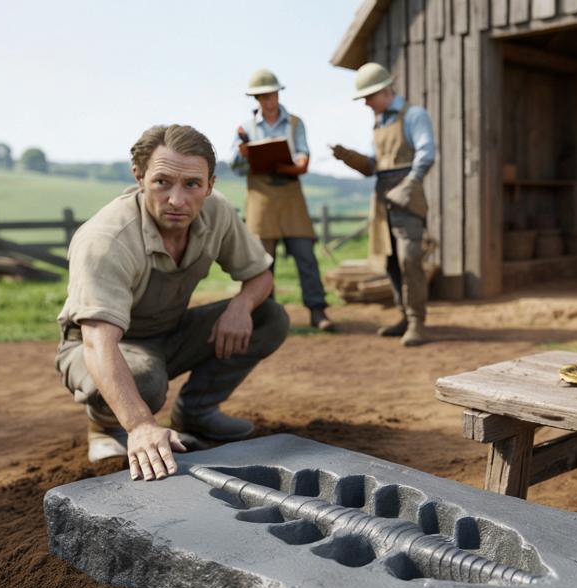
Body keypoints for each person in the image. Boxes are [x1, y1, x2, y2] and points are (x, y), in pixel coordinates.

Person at [55, 124, 289, 481]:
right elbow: (97, 342)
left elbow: (261, 275)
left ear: (210, 185)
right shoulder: (105, 240)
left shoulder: (218, 212)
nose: (177, 200)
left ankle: (196, 410)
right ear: (139, 177)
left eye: (192, 184)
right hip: (100, 347)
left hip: (170, 331)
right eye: (162, 182)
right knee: (144, 382)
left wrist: (240, 306)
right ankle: (103, 426)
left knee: (269, 316)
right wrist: (141, 425)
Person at [330, 62, 436, 347]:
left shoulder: (413, 115)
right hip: (381, 198)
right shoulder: (379, 122)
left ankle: (417, 322)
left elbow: (426, 153)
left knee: (409, 259)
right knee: (390, 262)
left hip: (407, 198)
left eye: (367, 97)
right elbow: (372, 166)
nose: (365, 103)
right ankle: (403, 316)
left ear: (384, 90)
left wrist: (411, 184)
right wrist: (348, 157)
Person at [231, 68, 335, 332]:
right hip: (261, 197)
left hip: (290, 195)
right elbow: (235, 165)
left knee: (305, 255)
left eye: (271, 95)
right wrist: (244, 153)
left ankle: (317, 310)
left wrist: (299, 163)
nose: (268, 101)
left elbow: (302, 153)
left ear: (278, 94)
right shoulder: (245, 127)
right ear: (256, 99)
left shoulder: (295, 123)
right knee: (262, 261)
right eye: (262, 97)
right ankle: (269, 315)